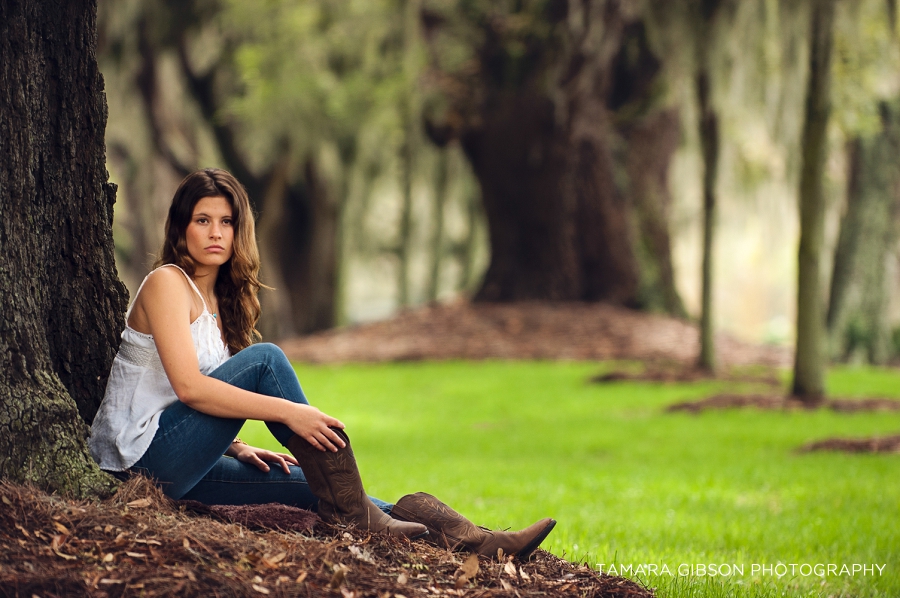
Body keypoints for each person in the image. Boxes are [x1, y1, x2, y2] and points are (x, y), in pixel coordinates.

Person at [89, 168, 555, 558]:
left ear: (238, 230)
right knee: (266, 360)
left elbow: (178, 395)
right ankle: (363, 519)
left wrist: (235, 447)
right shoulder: (167, 282)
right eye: (202, 220)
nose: (215, 233)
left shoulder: (218, 300)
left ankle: (477, 542)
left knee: (312, 486)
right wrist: (289, 411)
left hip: (182, 460)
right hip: (140, 460)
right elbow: (189, 388)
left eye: (226, 222)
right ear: (181, 228)